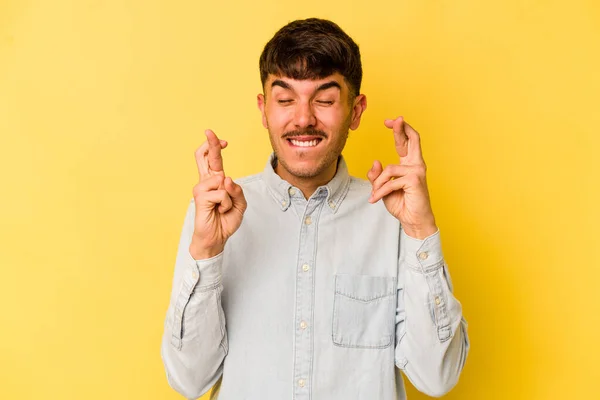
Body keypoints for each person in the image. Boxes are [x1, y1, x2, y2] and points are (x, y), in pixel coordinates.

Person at [161, 18, 469, 400]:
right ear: (263, 109)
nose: (303, 118)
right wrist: (206, 252)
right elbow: (189, 380)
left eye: (324, 100)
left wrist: (421, 230)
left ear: (356, 111)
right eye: (286, 99)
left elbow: (437, 377)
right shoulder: (215, 215)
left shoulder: (394, 220)